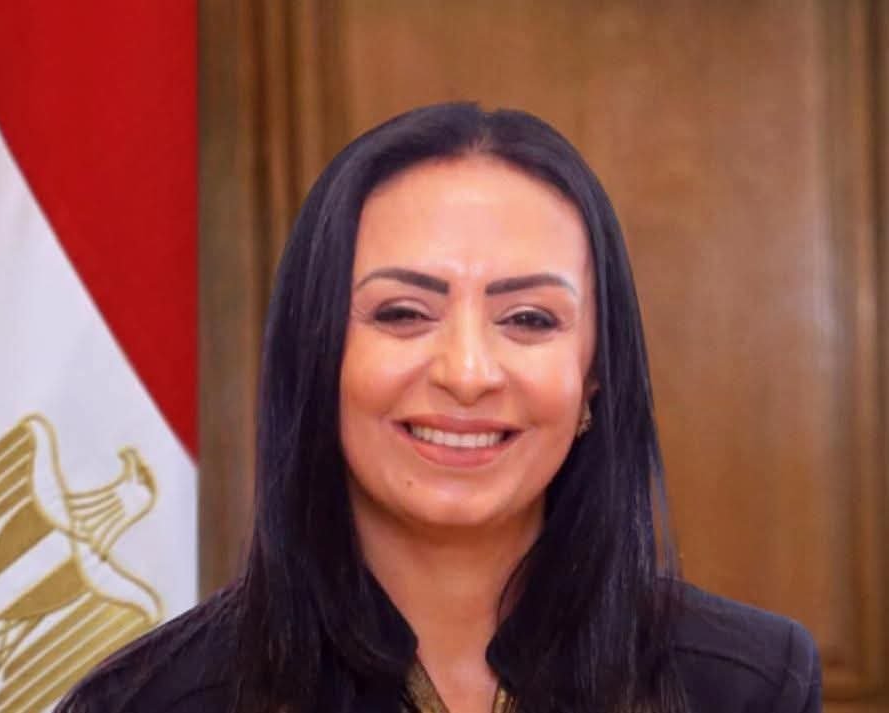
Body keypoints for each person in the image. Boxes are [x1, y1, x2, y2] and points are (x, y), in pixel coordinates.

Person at [57, 103, 821, 713]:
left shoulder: (748, 683)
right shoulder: (153, 700)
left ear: (593, 377)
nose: (468, 372)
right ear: (317, 356)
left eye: (529, 319)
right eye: (402, 313)